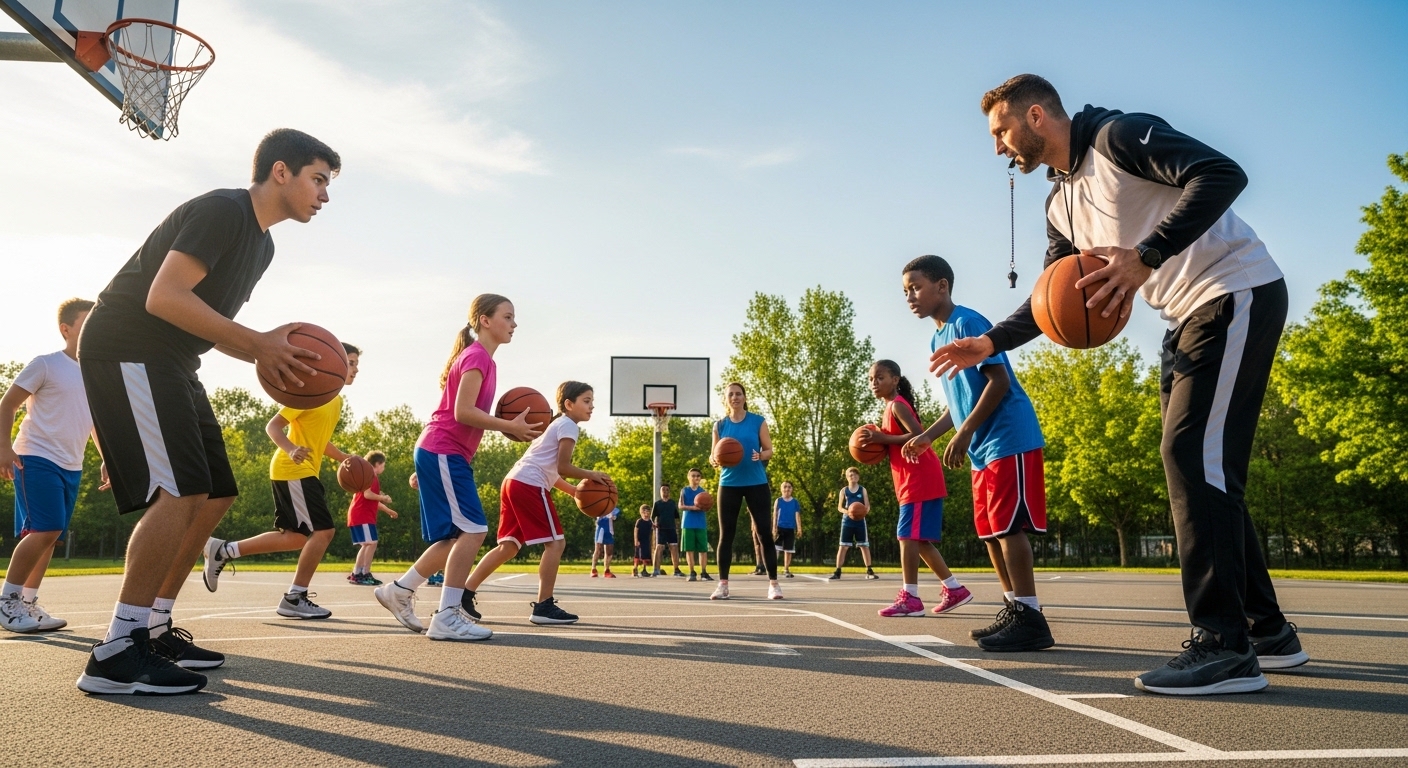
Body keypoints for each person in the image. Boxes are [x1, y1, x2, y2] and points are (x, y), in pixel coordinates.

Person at [932, 75, 1300, 693]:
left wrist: (1147, 253)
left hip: (1235, 290)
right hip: (1184, 317)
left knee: (1191, 456)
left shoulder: (1118, 136)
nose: (997, 147)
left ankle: (1224, 646)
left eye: (1001, 130)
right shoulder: (1058, 205)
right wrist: (990, 342)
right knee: (1208, 469)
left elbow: (1223, 173)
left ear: (1038, 116)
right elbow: (1051, 299)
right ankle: (1268, 631)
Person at [75, 129, 340, 695]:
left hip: (172, 358)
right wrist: (257, 343)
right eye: (318, 179)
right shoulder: (223, 211)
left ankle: (155, 624)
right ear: (279, 172)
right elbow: (165, 297)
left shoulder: (263, 245)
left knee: (214, 491)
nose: (323, 194)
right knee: (179, 490)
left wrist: (261, 354)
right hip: (129, 344)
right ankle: (118, 649)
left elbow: (202, 317)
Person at [903, 255, 1053, 651]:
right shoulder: (936, 337)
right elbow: (959, 401)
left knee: (1008, 528)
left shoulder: (967, 323)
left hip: (1008, 437)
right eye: (905, 292)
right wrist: (930, 436)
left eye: (915, 287)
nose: (910, 297)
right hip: (982, 448)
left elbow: (998, 380)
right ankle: (1014, 610)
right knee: (989, 533)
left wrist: (967, 431)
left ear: (942, 286)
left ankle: (1031, 617)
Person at [374, 295, 540, 642]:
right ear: (484, 320)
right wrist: (508, 426)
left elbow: (454, 413)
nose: (514, 323)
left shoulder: (482, 359)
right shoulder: (478, 356)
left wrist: (431, 465)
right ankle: (448, 615)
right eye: (507, 316)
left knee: (454, 536)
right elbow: (463, 412)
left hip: (442, 453)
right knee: (475, 529)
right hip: (443, 450)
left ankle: (400, 591)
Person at [202, 343, 361, 619]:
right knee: (323, 532)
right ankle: (295, 596)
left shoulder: (334, 400)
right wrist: (291, 449)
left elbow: (320, 441)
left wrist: (344, 456)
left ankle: (224, 549)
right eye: (350, 362)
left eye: (357, 363)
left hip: (301, 470)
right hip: (292, 468)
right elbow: (272, 426)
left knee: (295, 537)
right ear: (333, 364)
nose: (355, 369)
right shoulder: (310, 394)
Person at [463, 381, 610, 625]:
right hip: (529, 484)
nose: (592, 406)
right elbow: (563, 466)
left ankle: (464, 593)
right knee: (556, 544)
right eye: (586, 401)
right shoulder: (568, 426)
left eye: (592, 401)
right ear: (568, 404)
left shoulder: (556, 425)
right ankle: (544, 606)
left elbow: (551, 471)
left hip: (513, 482)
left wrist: (574, 490)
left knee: (508, 547)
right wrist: (590, 474)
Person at [0, 299, 99, 634]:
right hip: (36, 456)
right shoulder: (46, 364)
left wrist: (107, 461)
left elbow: (95, 424)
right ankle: (7, 602)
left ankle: (27, 603)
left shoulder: (96, 373)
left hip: (71, 464)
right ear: (66, 330)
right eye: (87, 322)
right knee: (47, 527)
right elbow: (7, 404)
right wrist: (3, 447)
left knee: (51, 535)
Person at [859, 360, 972, 617]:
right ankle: (954, 589)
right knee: (919, 541)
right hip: (913, 479)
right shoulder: (891, 407)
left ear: (895, 379)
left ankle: (910, 598)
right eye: (870, 379)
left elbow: (918, 434)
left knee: (907, 536)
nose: (874, 383)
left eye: (879, 377)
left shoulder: (897, 405)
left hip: (919, 477)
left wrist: (881, 439)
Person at [709, 382, 782, 601]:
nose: (735, 397)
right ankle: (723, 585)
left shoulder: (758, 421)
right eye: (731, 394)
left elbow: (769, 450)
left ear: (744, 397)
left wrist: (761, 455)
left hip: (756, 482)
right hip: (729, 484)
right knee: (726, 535)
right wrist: (714, 459)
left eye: (738, 394)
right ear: (726, 399)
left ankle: (774, 584)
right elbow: (713, 455)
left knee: (764, 534)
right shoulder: (719, 426)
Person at [346, 450, 399, 586]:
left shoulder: (367, 476)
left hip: (361, 515)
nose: (384, 468)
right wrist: (383, 497)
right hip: (362, 515)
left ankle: (360, 573)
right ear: (377, 464)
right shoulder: (370, 476)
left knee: (368, 543)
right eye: (383, 465)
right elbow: (367, 495)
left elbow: (371, 500)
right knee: (370, 543)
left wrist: (388, 510)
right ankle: (360, 573)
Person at [830, 468, 877, 580]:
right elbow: (839, 507)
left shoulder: (862, 490)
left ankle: (869, 571)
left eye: (855, 474)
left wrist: (864, 512)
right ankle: (837, 571)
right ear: (847, 477)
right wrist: (849, 512)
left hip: (860, 521)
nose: (853, 476)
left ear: (858, 477)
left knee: (864, 546)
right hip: (847, 521)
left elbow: (867, 505)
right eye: (850, 475)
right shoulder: (844, 491)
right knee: (843, 546)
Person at [406, 472, 445, 586]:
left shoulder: (434, 482)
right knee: (444, 547)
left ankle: (437, 574)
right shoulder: (429, 490)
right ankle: (436, 574)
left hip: (441, 518)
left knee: (445, 547)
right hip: (438, 520)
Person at [679, 468, 712, 581]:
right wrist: (693, 507)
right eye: (693, 476)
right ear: (689, 477)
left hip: (701, 523)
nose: (696, 478)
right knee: (690, 549)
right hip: (688, 523)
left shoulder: (703, 492)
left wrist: (705, 506)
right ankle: (692, 572)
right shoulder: (684, 490)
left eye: (698, 476)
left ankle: (703, 572)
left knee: (703, 549)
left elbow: (707, 506)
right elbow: (680, 506)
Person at [651, 483, 685, 577]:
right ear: (660, 492)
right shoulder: (657, 504)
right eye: (663, 490)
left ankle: (676, 570)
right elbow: (652, 517)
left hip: (671, 528)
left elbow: (676, 516)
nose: (665, 492)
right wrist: (654, 524)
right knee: (659, 548)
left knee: (674, 548)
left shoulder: (672, 503)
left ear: (669, 492)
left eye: (667, 490)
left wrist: (677, 526)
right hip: (661, 529)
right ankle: (656, 569)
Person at [772, 481, 801, 579]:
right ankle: (772, 569)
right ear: (781, 489)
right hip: (780, 527)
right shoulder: (778, 500)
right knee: (776, 549)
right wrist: (774, 527)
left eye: (789, 487)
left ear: (792, 489)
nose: (787, 489)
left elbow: (797, 515)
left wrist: (799, 528)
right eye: (785, 487)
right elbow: (775, 514)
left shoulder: (795, 502)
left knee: (788, 550)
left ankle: (786, 569)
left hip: (790, 528)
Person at [591, 505, 619, 578]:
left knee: (609, 551)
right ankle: (593, 569)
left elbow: (614, 517)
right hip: (600, 530)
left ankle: (606, 570)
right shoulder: (599, 506)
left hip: (609, 531)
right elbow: (595, 517)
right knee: (598, 550)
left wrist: (611, 515)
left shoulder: (613, 509)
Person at [633, 504, 654, 578]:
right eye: (644, 512)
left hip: (646, 541)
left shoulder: (650, 522)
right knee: (638, 555)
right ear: (641, 513)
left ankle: (644, 570)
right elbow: (636, 531)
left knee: (645, 555)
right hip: (640, 541)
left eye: (648, 512)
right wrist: (636, 540)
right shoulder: (639, 521)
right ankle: (635, 569)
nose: (646, 514)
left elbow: (652, 530)